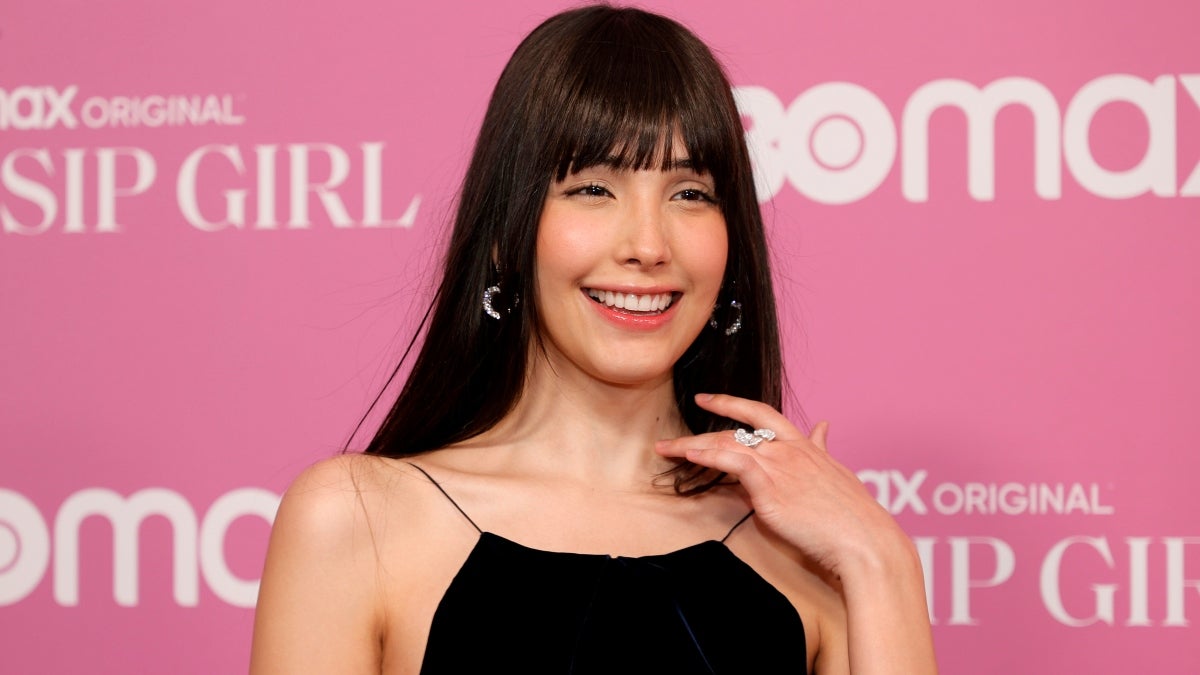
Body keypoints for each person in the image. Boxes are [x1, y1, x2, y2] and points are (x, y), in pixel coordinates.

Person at [250, 5, 937, 674]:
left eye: (691, 193)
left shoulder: (808, 543)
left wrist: (882, 557)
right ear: (505, 235)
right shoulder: (357, 520)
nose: (648, 245)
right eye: (593, 189)